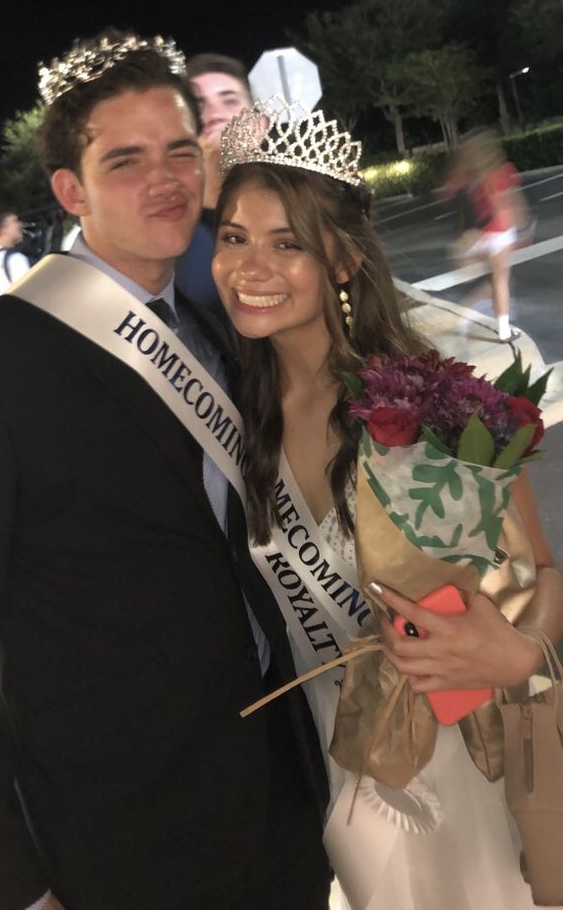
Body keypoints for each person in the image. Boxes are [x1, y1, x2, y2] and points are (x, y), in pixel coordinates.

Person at [0, 32, 331, 910]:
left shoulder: (224, 320)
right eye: (125, 160)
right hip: (123, 836)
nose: (164, 179)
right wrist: (2, 883)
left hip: (282, 793)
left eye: (179, 151)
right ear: (69, 190)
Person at [211, 99, 563, 909]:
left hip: (472, 762)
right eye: (233, 237)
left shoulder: (432, 400)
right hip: (351, 771)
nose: (249, 267)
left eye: (286, 243)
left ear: (341, 262)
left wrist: (517, 656)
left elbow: (542, 572)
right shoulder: (239, 415)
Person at [175, 52, 253, 310]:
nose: (215, 114)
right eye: (199, 105)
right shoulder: (173, 233)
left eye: (229, 100)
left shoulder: (296, 206)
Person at [443, 129, 528, 343]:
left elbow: (447, 193)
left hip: (481, 234)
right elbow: (513, 202)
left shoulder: (468, 175)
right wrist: (523, 228)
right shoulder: (503, 171)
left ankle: (469, 306)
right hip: (502, 234)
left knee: (494, 280)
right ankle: (503, 330)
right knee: (501, 282)